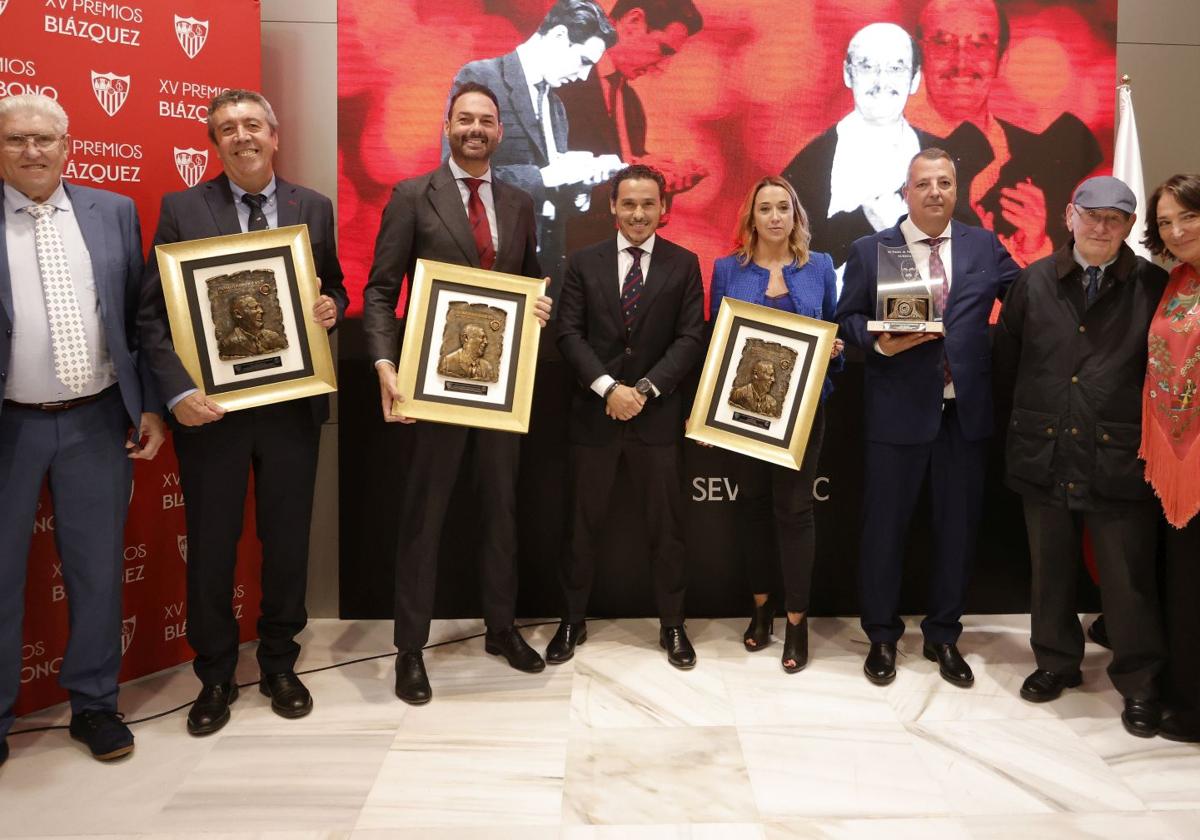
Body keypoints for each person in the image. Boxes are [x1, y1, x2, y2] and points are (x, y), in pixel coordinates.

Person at [138, 89, 347, 736]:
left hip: (290, 410)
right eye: (227, 128)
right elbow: (151, 315)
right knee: (211, 547)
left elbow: (332, 284)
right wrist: (177, 396)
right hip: (212, 413)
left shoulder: (312, 206)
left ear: (274, 135)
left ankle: (281, 663)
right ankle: (217, 674)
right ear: (215, 143)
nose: (242, 136)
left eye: (252, 124)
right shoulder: (181, 208)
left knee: (286, 544)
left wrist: (330, 309)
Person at [363, 82, 553, 705]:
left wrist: (539, 308)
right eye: (465, 119)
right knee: (425, 517)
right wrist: (386, 362)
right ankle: (410, 651)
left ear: (501, 132)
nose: (476, 129)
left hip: (502, 388)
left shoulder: (522, 203)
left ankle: (501, 629)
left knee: (502, 510)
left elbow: (526, 285)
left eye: (486, 121)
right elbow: (380, 289)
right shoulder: (412, 195)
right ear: (447, 125)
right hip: (432, 385)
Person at [0, 93, 164, 764]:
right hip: (9, 427)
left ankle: (95, 706)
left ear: (69, 145)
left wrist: (150, 404)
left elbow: (138, 321)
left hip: (98, 421)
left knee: (98, 572)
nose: (32, 151)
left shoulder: (113, 212)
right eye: (16, 140)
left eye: (45, 139)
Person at [836, 148, 1019, 687]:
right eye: (924, 184)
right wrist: (877, 341)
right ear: (906, 192)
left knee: (957, 531)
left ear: (957, 190)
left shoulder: (982, 244)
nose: (935, 191)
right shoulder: (873, 249)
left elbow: (1028, 296)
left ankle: (943, 635)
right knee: (884, 531)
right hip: (896, 413)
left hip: (965, 414)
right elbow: (844, 319)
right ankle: (882, 638)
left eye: (945, 182)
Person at [996, 176, 1167, 738]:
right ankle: (1054, 662)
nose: (1101, 227)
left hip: (1119, 455)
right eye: (1091, 215)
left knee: (1127, 577)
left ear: (1129, 226)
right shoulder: (1033, 282)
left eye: (1114, 219)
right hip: (1043, 445)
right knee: (1049, 570)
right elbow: (1008, 362)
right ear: (1069, 215)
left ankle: (1140, 683)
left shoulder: (1155, 286)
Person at [550, 163, 705, 668]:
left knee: (669, 529)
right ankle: (571, 621)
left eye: (648, 204)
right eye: (629, 203)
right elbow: (568, 334)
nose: (639, 213)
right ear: (612, 207)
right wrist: (607, 389)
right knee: (579, 526)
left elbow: (689, 338)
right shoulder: (581, 262)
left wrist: (642, 389)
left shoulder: (684, 264)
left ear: (664, 209)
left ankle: (673, 626)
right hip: (593, 419)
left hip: (656, 419)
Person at [709, 175, 844, 672]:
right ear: (751, 217)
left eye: (782, 207)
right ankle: (761, 609)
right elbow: (715, 339)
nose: (773, 216)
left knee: (795, 511)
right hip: (744, 412)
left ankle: (796, 621)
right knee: (752, 508)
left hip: (805, 412)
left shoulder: (821, 268)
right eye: (764, 207)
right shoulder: (727, 269)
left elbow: (834, 329)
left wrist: (836, 351)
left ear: (795, 215)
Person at [449, 0, 620, 295]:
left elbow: (553, 204)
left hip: (546, 277)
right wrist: (549, 176)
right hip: (492, 269)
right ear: (558, 37)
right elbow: (460, 177)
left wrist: (581, 186)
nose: (583, 76)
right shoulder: (480, 79)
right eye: (583, 62)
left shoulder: (557, 108)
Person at [914, 0, 1102, 268]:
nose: (961, 60)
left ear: (1001, 59)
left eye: (979, 44)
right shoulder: (881, 148)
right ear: (919, 55)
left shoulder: (1041, 158)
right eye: (943, 42)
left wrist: (1036, 246)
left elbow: (1072, 286)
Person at [782, 23, 941, 269]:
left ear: (915, 79)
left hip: (921, 306)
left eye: (896, 68)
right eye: (867, 67)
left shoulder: (942, 157)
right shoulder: (811, 164)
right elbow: (783, 260)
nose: (881, 81)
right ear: (848, 73)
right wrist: (864, 221)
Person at [559, 0, 707, 253]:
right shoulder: (558, 78)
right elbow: (542, 181)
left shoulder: (631, 105)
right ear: (633, 22)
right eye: (664, 49)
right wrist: (639, 178)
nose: (663, 67)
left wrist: (660, 184)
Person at [1140, 174, 1200, 743]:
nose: (1176, 231)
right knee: (1181, 581)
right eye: (1164, 222)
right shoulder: (1176, 280)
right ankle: (1184, 694)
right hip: (1175, 451)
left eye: (1187, 217)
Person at [218, 294, 287, 359]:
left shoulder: (273, 337)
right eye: (254, 308)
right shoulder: (229, 344)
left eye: (260, 307)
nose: (261, 311)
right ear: (238, 314)